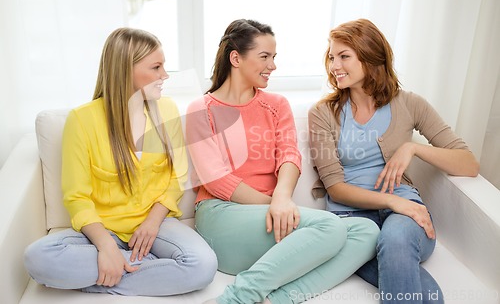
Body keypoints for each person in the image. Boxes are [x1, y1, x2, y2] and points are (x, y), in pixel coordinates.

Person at [185, 19, 380, 304]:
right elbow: (216, 179)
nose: (273, 65)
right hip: (222, 217)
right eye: (264, 56)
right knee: (330, 227)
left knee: (368, 231)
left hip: (269, 221)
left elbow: (289, 155)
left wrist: (282, 198)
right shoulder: (202, 109)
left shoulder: (276, 105)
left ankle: (277, 300)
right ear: (236, 58)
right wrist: (276, 205)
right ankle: (235, 299)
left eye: (274, 57)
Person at [24, 27, 217, 296]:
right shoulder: (82, 121)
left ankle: (106, 275)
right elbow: (76, 197)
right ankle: (148, 269)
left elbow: (177, 177)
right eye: (156, 67)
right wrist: (105, 247)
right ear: (127, 69)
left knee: (203, 266)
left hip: (156, 224)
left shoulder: (167, 110)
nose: (164, 76)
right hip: (103, 229)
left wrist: (151, 223)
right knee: (38, 258)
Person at [308, 18, 480, 304]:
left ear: (371, 56)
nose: (333, 66)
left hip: (405, 215)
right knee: (427, 296)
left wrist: (412, 149)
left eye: (343, 56)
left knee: (397, 240)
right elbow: (336, 188)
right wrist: (392, 201)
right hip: (351, 220)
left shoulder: (409, 104)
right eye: (331, 57)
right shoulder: (323, 113)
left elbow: (468, 164)